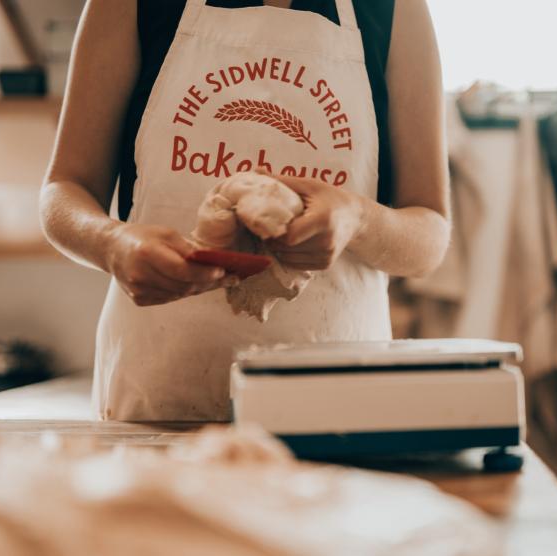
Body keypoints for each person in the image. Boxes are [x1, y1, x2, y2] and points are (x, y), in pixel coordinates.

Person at [41, 0, 449, 421]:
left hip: (336, 403)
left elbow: (429, 234)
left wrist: (357, 220)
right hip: (161, 396)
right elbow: (65, 188)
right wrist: (112, 244)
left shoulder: (396, 10)